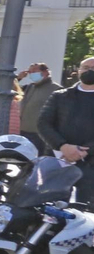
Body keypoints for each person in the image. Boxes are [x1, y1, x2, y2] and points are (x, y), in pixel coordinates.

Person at [35, 56, 94, 191]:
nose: (89, 71)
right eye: (86, 68)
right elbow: (43, 123)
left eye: (93, 68)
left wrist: (84, 151)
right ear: (79, 71)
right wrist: (62, 146)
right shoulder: (60, 96)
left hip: (90, 165)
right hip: (56, 160)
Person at [19, 62, 56, 154]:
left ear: (46, 72)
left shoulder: (56, 89)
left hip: (40, 134)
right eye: (29, 72)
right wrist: (18, 78)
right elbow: (11, 89)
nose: (31, 74)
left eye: (34, 71)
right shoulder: (30, 87)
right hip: (23, 131)